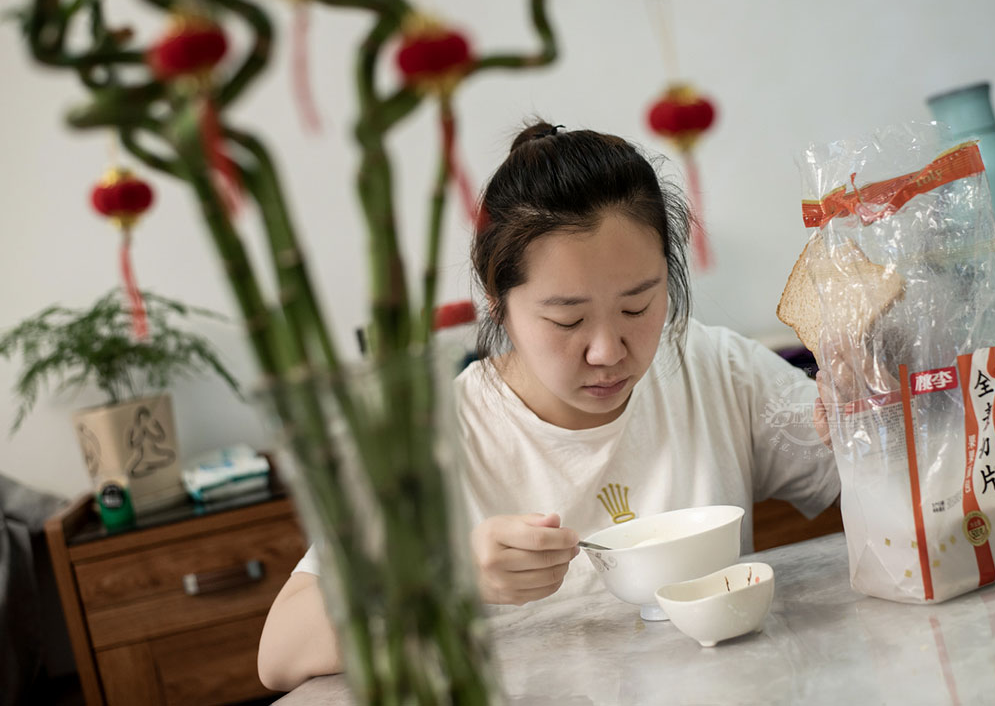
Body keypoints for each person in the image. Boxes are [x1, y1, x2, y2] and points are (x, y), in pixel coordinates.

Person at [257, 121, 841, 691]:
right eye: (567, 319)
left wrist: (861, 415)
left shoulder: (712, 369)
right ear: (497, 302)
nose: (608, 350)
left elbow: (879, 472)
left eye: (638, 307)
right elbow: (279, 652)